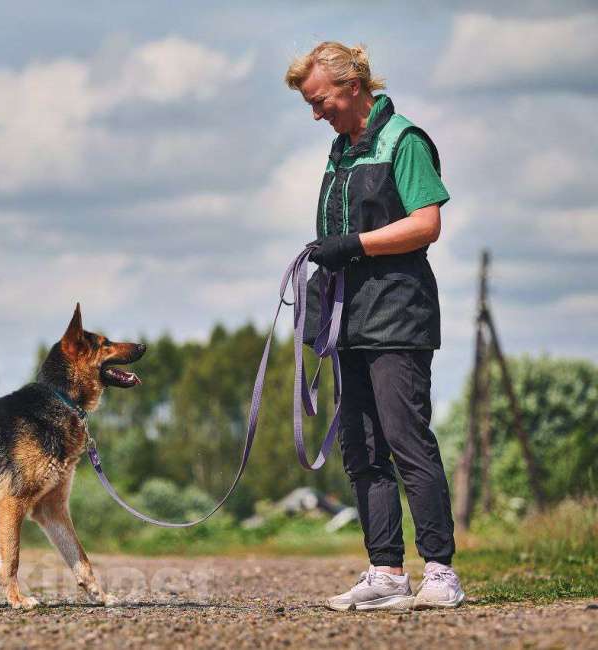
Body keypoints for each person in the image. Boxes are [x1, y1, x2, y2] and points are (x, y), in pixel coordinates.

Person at [284, 41, 465, 611]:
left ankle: (440, 572)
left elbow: (427, 223)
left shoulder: (403, 141)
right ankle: (386, 571)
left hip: (398, 315)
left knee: (406, 439)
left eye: (321, 101)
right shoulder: (341, 150)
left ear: (353, 85)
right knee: (360, 448)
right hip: (350, 318)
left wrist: (355, 244)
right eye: (310, 105)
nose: (317, 114)